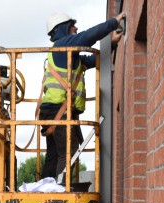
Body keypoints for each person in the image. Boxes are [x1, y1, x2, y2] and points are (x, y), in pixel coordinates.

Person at [40, 11, 126, 180]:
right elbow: (88, 37)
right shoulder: (63, 45)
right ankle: (58, 194)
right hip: (59, 111)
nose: (76, 28)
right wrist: (113, 23)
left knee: (54, 155)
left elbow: (93, 61)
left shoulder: (69, 55)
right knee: (68, 151)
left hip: (54, 110)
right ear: (63, 28)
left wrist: (112, 44)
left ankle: (45, 190)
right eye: (73, 26)